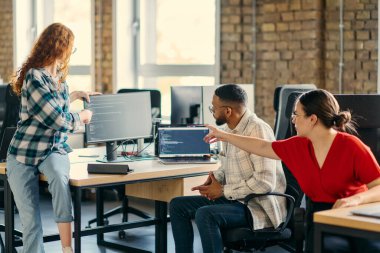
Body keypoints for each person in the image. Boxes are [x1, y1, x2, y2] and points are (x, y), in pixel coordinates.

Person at [204, 89, 380, 252]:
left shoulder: (351, 147)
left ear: (312, 119)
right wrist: (223, 135)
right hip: (318, 216)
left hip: (351, 217)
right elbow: (261, 146)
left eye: (296, 114)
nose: (293, 119)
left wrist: (356, 199)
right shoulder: (297, 146)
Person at [6, 23, 99, 253]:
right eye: (71, 48)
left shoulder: (59, 78)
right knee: (32, 223)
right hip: (23, 153)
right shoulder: (34, 77)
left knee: (59, 177)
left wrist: (76, 95)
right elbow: (56, 120)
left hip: (51, 149)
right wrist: (83, 117)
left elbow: (54, 104)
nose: (71, 53)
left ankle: (66, 248)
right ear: (60, 47)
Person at [169, 84, 287, 253]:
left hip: (257, 206)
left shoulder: (257, 129)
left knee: (205, 214)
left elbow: (265, 183)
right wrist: (215, 179)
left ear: (228, 111)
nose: (212, 111)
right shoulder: (227, 131)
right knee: (177, 206)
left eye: (213, 108)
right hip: (236, 199)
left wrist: (223, 191)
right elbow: (228, 167)